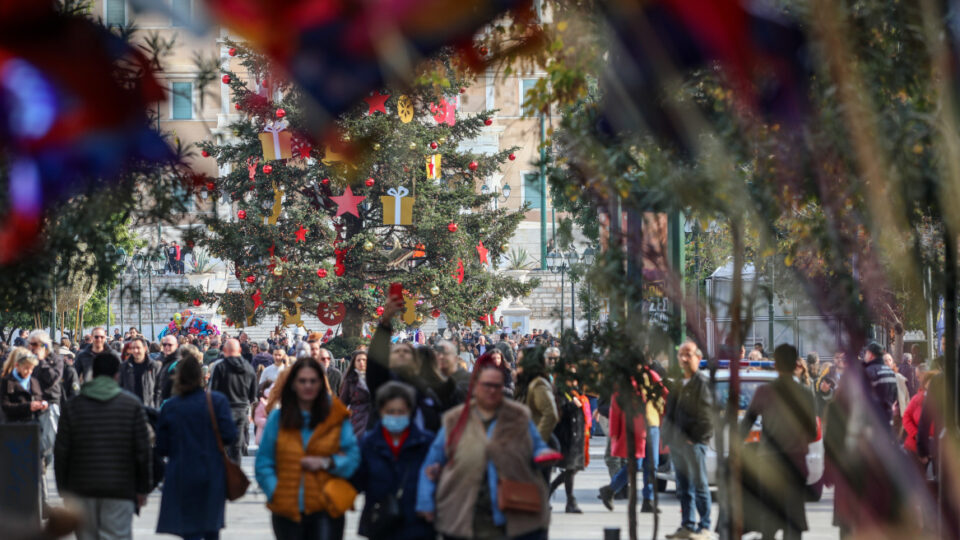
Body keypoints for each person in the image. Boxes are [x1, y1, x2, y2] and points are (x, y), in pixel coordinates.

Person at [417, 355, 553, 539]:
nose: (491, 390)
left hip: (512, 514)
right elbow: (432, 462)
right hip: (465, 514)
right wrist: (426, 501)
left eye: (496, 386)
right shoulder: (455, 419)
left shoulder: (518, 416)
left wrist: (542, 454)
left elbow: (536, 445)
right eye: (486, 385)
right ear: (475, 387)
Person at [255, 357, 360, 540]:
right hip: (288, 508)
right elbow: (264, 463)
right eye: (302, 381)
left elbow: (352, 457)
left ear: (321, 383)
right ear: (293, 384)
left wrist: (327, 462)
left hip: (326, 506)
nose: (308, 386)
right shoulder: (277, 419)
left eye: (313, 381)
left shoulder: (335, 418)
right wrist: (276, 492)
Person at [54, 352, 152, 540]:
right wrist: (142, 488)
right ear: (117, 374)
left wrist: (63, 489)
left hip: (81, 488)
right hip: (121, 488)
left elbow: (62, 450)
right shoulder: (131, 405)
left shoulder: (73, 406)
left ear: (92, 373)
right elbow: (143, 450)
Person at [156, 346, 237, 540]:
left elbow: (162, 446)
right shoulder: (216, 401)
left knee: (189, 530)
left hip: (181, 473)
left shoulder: (171, 407)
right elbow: (230, 435)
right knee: (211, 529)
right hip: (211, 471)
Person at [739, 344, 817, 540]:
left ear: (775, 365)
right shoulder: (806, 393)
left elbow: (746, 425)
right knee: (794, 521)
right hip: (797, 462)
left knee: (769, 518)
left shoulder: (764, 392)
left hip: (770, 461)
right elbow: (812, 431)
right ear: (795, 365)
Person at [352, 381, 435, 539]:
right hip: (382, 523)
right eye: (390, 411)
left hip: (417, 525)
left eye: (401, 411)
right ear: (381, 411)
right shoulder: (369, 444)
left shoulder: (426, 442)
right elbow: (357, 480)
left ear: (410, 412)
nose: (396, 416)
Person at [664, 342, 713, 540]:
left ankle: (705, 527)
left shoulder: (702, 383)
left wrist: (696, 439)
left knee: (699, 485)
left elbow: (708, 416)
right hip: (677, 444)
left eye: (688, 355)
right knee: (683, 487)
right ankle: (688, 525)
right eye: (681, 355)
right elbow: (670, 412)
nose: (684, 359)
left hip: (694, 444)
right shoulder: (677, 383)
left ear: (698, 358)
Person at [208, 339, 258, 461]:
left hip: (223, 410)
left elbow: (212, 391)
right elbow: (253, 395)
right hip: (241, 410)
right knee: (236, 446)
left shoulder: (220, 367)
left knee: (221, 446)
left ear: (224, 351)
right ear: (240, 350)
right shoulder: (249, 368)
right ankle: (235, 472)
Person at [550, 360, 589, 514]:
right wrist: (573, 404)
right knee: (571, 467)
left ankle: (553, 490)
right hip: (567, 433)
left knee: (572, 468)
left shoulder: (576, 389)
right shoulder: (559, 389)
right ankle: (570, 501)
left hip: (577, 433)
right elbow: (559, 409)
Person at [516, 347, 559, 445]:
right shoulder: (525, 383)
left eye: (521, 360)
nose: (517, 362)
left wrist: (537, 442)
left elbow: (551, 415)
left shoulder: (538, 384)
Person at [1, 347, 46, 422]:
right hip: (13, 426)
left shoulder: (33, 381)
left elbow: (39, 399)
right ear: (17, 365)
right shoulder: (7, 381)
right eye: (26, 368)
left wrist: (41, 405)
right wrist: (28, 406)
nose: (29, 372)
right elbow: (5, 406)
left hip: (32, 425)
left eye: (32, 369)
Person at [118, 337, 163, 410]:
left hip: (148, 409)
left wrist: (155, 407)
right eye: (133, 348)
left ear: (145, 349)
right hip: (129, 410)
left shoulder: (154, 366)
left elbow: (158, 390)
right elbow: (120, 388)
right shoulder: (124, 367)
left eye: (138, 348)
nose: (135, 350)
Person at [862, 342, 898, 427]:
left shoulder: (869, 371)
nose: (864, 356)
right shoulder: (890, 372)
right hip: (888, 419)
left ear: (870, 355)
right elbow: (895, 395)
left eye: (866, 353)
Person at [339, 350, 373, 436]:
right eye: (358, 360)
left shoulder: (376, 378)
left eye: (364, 360)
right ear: (354, 363)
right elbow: (343, 402)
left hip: (373, 417)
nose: (361, 362)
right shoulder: (350, 380)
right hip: (357, 417)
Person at [157, 335, 181, 404]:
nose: (166, 347)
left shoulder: (178, 363)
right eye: (164, 345)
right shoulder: (164, 360)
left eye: (170, 345)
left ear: (176, 346)